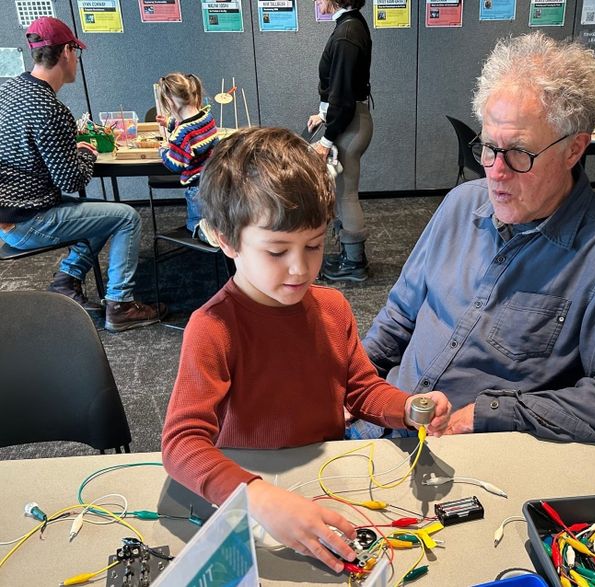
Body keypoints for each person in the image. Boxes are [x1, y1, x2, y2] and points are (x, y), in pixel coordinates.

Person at [161, 127, 451, 572]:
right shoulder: (213, 328)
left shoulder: (332, 307)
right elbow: (181, 444)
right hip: (251, 491)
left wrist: (408, 407)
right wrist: (256, 496)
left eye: (314, 245)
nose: (301, 268)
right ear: (225, 238)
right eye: (277, 251)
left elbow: (361, 389)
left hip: (322, 477)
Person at [361, 32, 595, 444]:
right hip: (377, 425)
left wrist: (492, 414)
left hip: (469, 460)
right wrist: (351, 382)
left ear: (574, 150)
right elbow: (399, 318)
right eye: (489, 147)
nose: (495, 172)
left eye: (519, 153)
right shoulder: (459, 205)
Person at [0, 16, 165, 332]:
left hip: (8, 215)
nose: (76, 60)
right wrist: (86, 151)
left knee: (100, 213)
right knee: (126, 217)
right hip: (28, 221)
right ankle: (120, 305)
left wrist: (68, 144)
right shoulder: (50, 108)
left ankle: (66, 280)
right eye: (77, 52)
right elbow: (72, 181)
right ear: (65, 52)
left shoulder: (10, 90)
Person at [307, 0, 373, 282]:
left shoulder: (347, 33)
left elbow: (344, 97)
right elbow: (339, 86)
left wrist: (326, 140)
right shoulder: (349, 25)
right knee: (343, 192)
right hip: (348, 120)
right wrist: (323, 114)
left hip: (350, 125)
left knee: (346, 194)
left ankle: (354, 264)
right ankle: (351, 256)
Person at [156, 72, 218, 244]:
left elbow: (175, 164)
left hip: (196, 188)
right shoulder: (206, 117)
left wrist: (162, 151)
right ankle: (216, 227)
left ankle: (204, 230)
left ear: (169, 102)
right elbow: (191, 129)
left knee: (194, 222)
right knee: (213, 214)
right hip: (213, 180)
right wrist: (168, 123)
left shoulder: (181, 134)